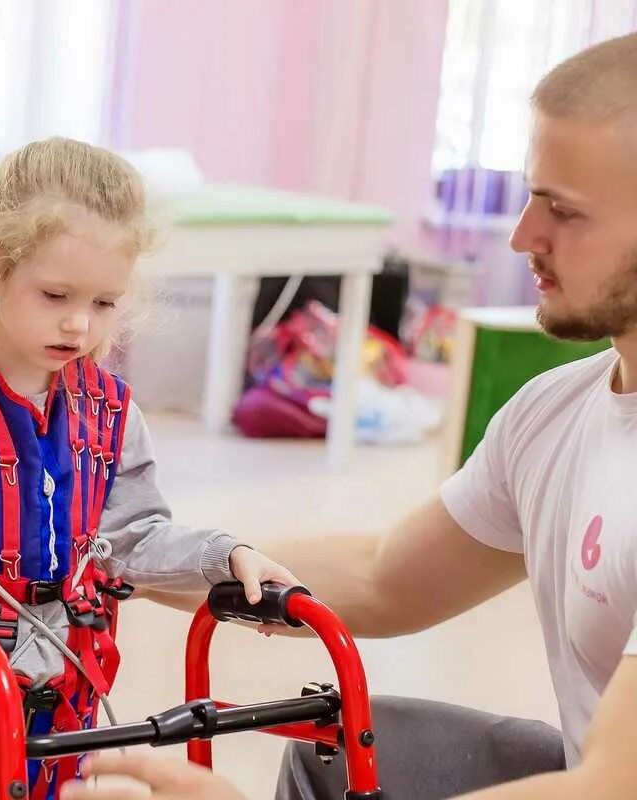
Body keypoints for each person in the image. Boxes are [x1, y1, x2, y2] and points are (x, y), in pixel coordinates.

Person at [66, 30, 637, 800]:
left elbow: (610, 785)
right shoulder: (556, 412)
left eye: (563, 212)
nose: (521, 236)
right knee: (331, 751)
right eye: (532, 195)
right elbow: (384, 576)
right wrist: (119, 559)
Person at [0, 137, 297, 799]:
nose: (80, 324)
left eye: (105, 303)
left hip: (68, 699)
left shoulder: (113, 412)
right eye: (55, 294)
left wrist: (226, 557)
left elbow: (137, 539)